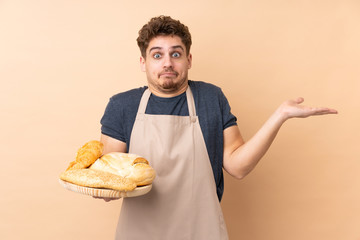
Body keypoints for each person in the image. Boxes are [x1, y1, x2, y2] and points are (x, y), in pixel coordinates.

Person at [98, 15, 337, 239]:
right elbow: (109, 182)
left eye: (176, 54)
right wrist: (97, 182)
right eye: (157, 55)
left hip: (202, 232)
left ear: (189, 60)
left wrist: (280, 115)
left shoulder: (210, 98)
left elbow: (238, 166)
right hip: (140, 233)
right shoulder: (123, 106)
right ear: (143, 62)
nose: (167, 63)